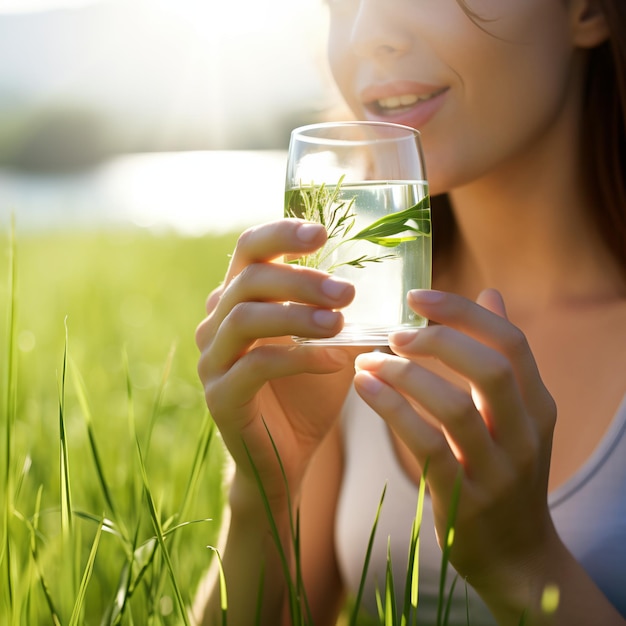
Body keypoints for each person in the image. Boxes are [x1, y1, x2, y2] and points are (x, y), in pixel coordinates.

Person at [194, 0, 626, 624]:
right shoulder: (345, 323)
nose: (369, 34)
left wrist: (527, 568)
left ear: (587, 9)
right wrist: (264, 488)